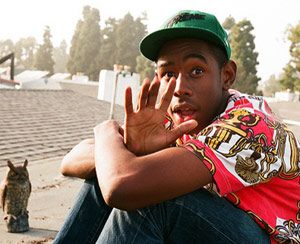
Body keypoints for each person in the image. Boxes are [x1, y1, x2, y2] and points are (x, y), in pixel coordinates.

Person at [53, 10, 300, 244]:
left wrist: (107, 130)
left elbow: (121, 187)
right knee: (105, 172)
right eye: (169, 73)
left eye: (196, 70)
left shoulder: (249, 126)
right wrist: (130, 148)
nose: (180, 87)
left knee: (147, 195)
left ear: (226, 75)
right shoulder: (175, 119)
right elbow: (69, 162)